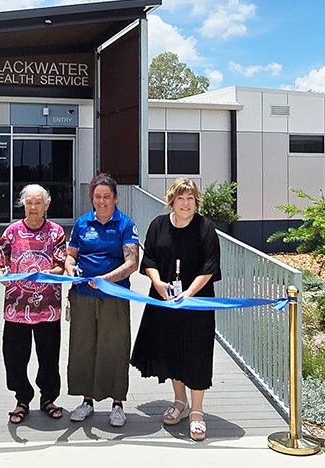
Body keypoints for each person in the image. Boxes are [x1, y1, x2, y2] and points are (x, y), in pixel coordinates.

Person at [130, 177, 221, 441]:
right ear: (172, 200)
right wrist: (158, 284)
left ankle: (197, 413)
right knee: (172, 351)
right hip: (165, 301)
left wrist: (189, 293)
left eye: (190, 198)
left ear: (196, 201)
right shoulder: (158, 225)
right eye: (180, 198)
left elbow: (210, 266)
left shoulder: (206, 228)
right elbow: (149, 259)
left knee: (197, 353)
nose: (185, 203)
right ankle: (180, 402)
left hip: (196, 303)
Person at [65, 173, 139, 427]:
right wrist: (70, 268)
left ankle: (117, 403)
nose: (102, 201)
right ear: (92, 198)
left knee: (115, 347)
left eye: (107, 196)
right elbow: (71, 255)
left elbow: (132, 262)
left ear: (115, 198)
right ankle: (87, 400)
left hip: (114, 296)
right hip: (83, 296)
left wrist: (107, 279)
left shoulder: (125, 224)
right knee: (83, 346)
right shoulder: (82, 224)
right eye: (98, 196)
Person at [0, 184, 67, 424]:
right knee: (14, 357)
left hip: (48, 307)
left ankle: (48, 399)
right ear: (23, 204)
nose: (33, 207)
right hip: (16, 308)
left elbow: (61, 264)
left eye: (38, 203)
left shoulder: (56, 232)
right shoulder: (13, 231)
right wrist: (0, 274)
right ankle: (22, 398)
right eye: (29, 203)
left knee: (49, 357)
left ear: (47, 205)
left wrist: (45, 273)